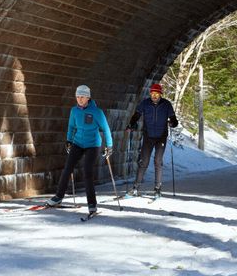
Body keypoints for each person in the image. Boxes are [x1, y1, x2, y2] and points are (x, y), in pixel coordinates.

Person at [46, 85, 113, 215]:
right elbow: (71, 127)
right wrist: (69, 140)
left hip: (93, 145)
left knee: (87, 171)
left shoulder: (97, 112)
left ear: (88, 97)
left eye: (82, 97)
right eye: (77, 97)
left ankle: (92, 204)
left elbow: (106, 129)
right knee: (67, 169)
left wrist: (109, 145)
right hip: (77, 143)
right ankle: (58, 197)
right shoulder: (74, 111)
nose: (79, 99)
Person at [126, 83, 178, 198]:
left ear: (160, 94)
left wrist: (172, 123)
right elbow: (137, 114)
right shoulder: (145, 103)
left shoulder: (166, 104)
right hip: (148, 137)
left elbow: (174, 120)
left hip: (161, 137)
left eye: (156, 94)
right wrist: (131, 124)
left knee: (157, 162)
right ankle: (135, 187)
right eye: (152, 93)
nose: (154, 96)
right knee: (143, 162)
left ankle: (157, 188)